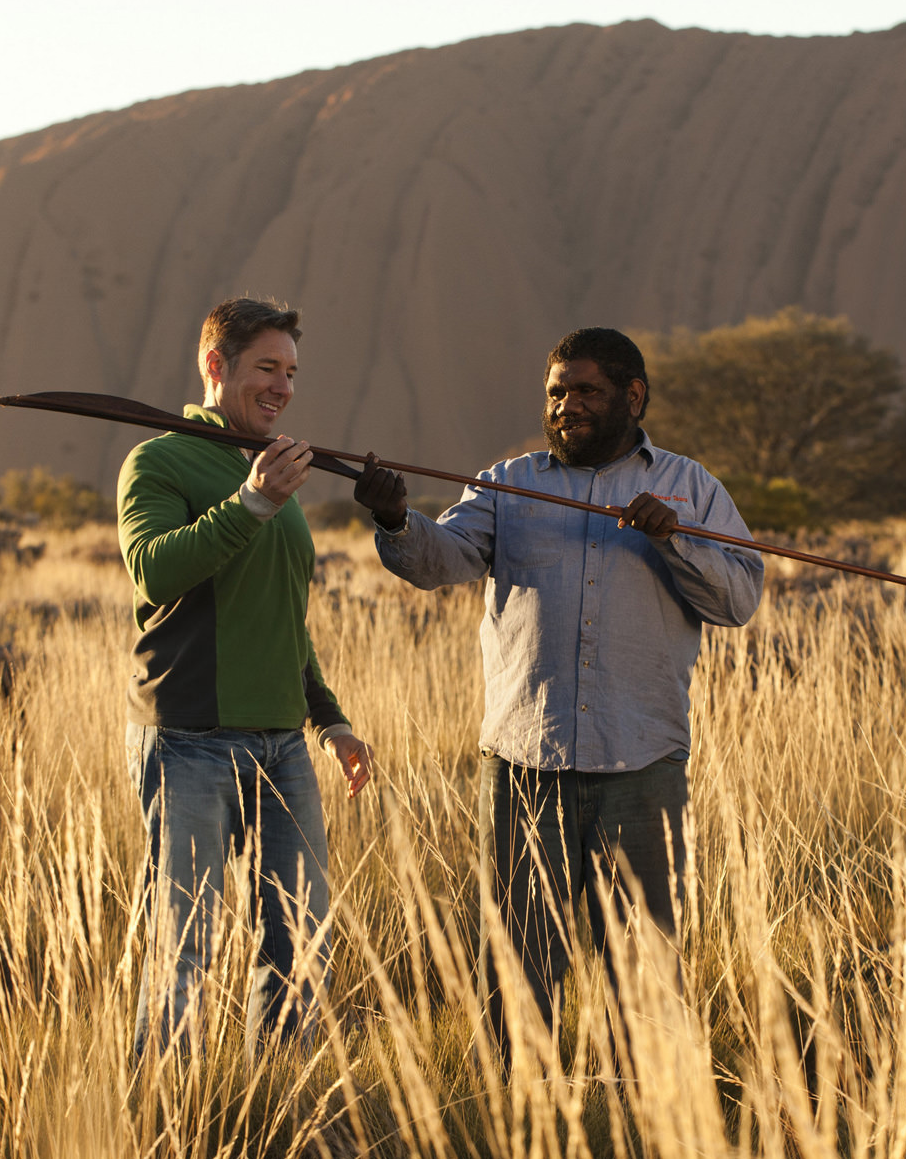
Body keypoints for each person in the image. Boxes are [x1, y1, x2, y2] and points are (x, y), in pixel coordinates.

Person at [353, 326, 762, 1051]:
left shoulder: (692, 488)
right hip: (523, 769)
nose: (566, 405)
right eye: (555, 392)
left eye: (585, 391)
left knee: (641, 977)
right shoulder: (509, 483)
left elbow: (737, 601)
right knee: (515, 973)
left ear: (633, 397)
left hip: (642, 767)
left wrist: (676, 539)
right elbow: (439, 561)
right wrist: (394, 518)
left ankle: (639, 1118)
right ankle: (520, 1119)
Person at [117, 296, 375, 1066]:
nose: (282, 387)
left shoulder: (272, 471)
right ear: (214, 367)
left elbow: (284, 618)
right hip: (190, 738)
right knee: (183, 945)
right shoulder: (159, 461)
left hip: (283, 746)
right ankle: (165, 1119)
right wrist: (255, 502)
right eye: (267, 368)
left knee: (298, 942)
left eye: (291, 373)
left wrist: (328, 720)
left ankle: (277, 1106)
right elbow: (155, 570)